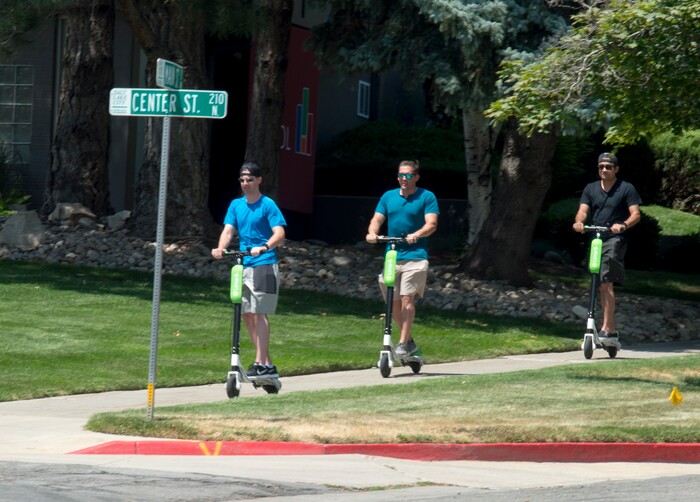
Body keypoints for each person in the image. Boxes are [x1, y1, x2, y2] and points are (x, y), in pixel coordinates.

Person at [212, 162, 287, 378]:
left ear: (259, 180)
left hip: (265, 264)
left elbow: (279, 233)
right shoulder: (236, 205)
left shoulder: (267, 205)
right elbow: (228, 230)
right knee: (245, 314)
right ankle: (267, 364)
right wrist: (220, 248)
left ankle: (259, 363)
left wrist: (264, 247)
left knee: (259, 312)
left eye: (250, 179)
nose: (246, 183)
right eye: (243, 180)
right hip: (243, 265)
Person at [366, 160, 440, 357]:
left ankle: (401, 343)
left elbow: (431, 224)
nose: (403, 179)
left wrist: (418, 234)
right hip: (392, 256)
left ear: (416, 177)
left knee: (407, 298)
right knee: (393, 301)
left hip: (416, 257)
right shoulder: (388, 197)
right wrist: (373, 233)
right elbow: (377, 219)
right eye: (400, 175)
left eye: (407, 175)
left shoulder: (426, 197)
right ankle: (409, 342)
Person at [573, 152, 642, 341]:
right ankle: (606, 329)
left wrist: (624, 225)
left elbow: (636, 214)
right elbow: (582, 211)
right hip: (596, 237)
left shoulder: (626, 188)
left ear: (616, 169)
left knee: (606, 281)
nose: (604, 169)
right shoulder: (591, 188)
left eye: (608, 167)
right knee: (598, 280)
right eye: (601, 166)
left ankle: (608, 328)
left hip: (615, 238)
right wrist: (579, 222)